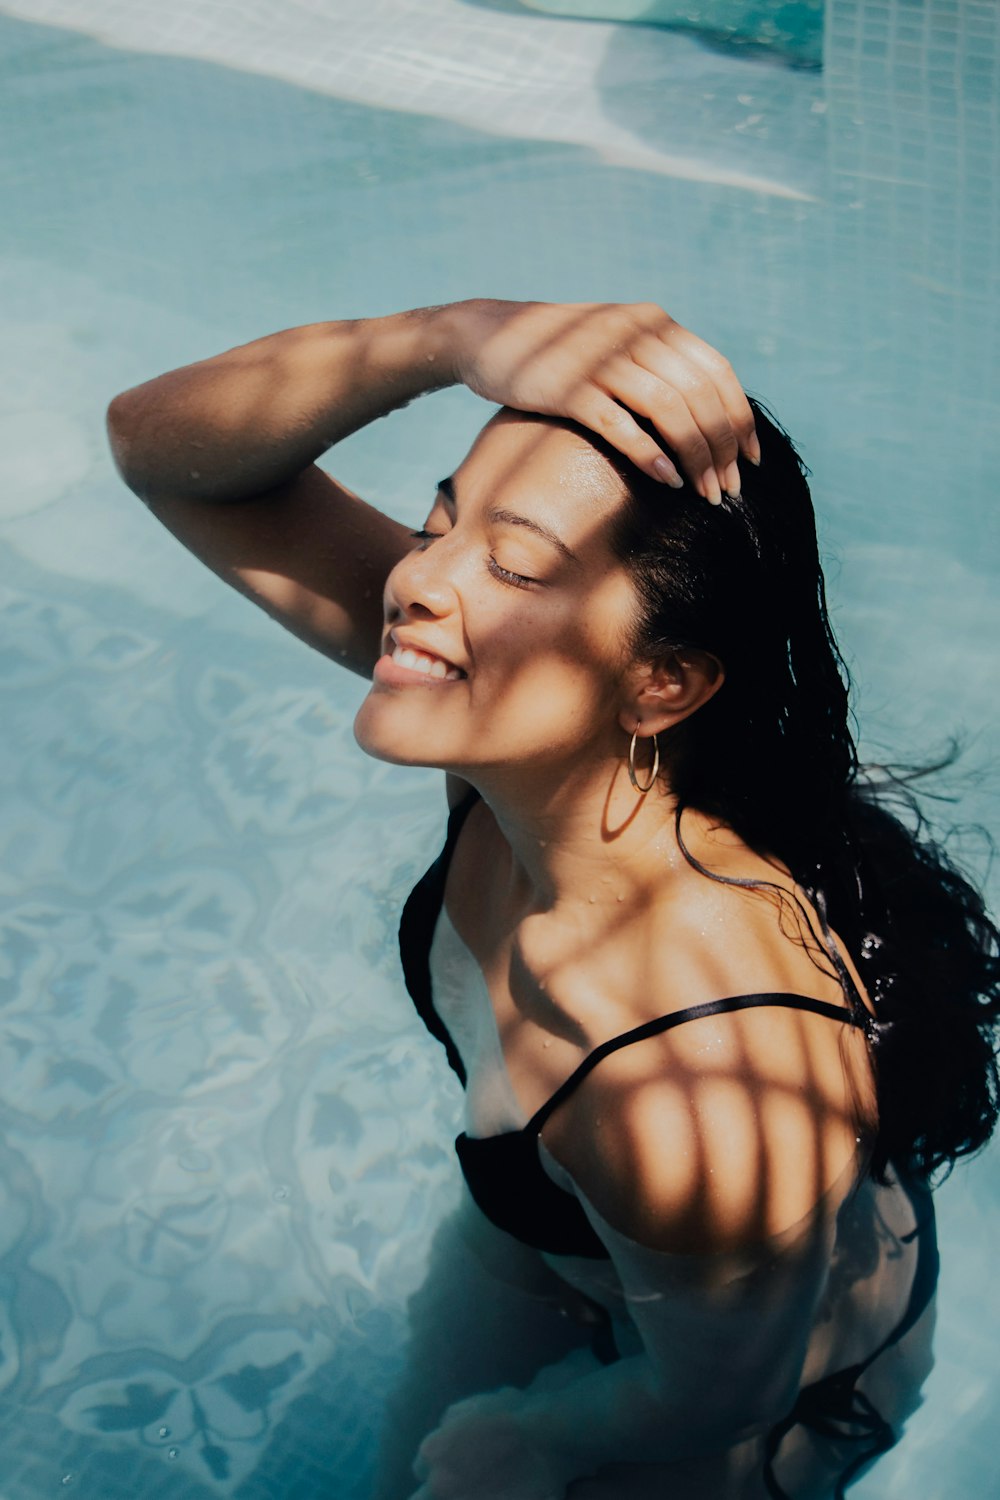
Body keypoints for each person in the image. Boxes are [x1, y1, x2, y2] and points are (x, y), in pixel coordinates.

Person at [107, 300, 999, 1499]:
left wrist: (542, 1434)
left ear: (661, 683)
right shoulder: (509, 737)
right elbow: (164, 454)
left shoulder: (693, 1076)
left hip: (769, 1398)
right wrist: (456, 337)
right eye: (440, 521)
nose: (418, 579)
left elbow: (718, 1391)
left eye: (515, 562)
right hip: (566, 1235)